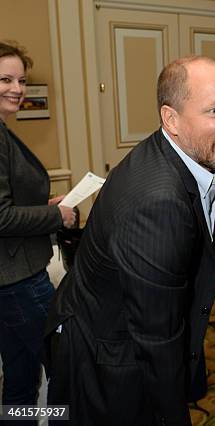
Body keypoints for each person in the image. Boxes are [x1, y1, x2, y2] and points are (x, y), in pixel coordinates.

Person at [44, 56, 215, 426]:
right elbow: (157, 340)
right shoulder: (159, 202)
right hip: (109, 359)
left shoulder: (175, 154)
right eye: (214, 110)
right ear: (171, 119)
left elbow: (203, 238)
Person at [0, 41, 75, 425]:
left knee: (19, 378)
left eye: (21, 80)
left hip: (10, 281)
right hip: (20, 281)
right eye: (6, 79)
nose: (17, 88)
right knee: (64, 370)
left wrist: (45, 206)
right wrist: (55, 217)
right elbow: (1, 217)